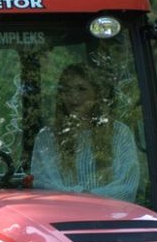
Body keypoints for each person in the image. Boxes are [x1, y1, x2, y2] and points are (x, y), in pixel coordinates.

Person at [31, 63, 140, 202]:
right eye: (67, 90)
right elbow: (42, 185)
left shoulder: (119, 133)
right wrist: (81, 198)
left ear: (96, 94)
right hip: (61, 216)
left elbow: (127, 186)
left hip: (111, 218)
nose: (73, 97)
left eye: (81, 89)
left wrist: (86, 198)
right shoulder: (47, 137)